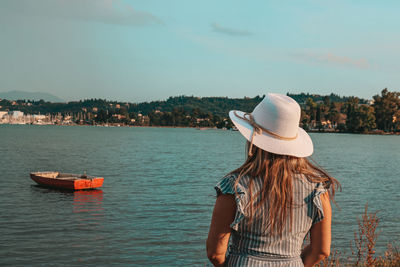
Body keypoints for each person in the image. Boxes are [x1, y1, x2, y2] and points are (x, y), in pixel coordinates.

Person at [206, 93, 339, 267]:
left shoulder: (234, 186)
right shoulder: (317, 189)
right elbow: (321, 251)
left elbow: (216, 253)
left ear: (252, 139)